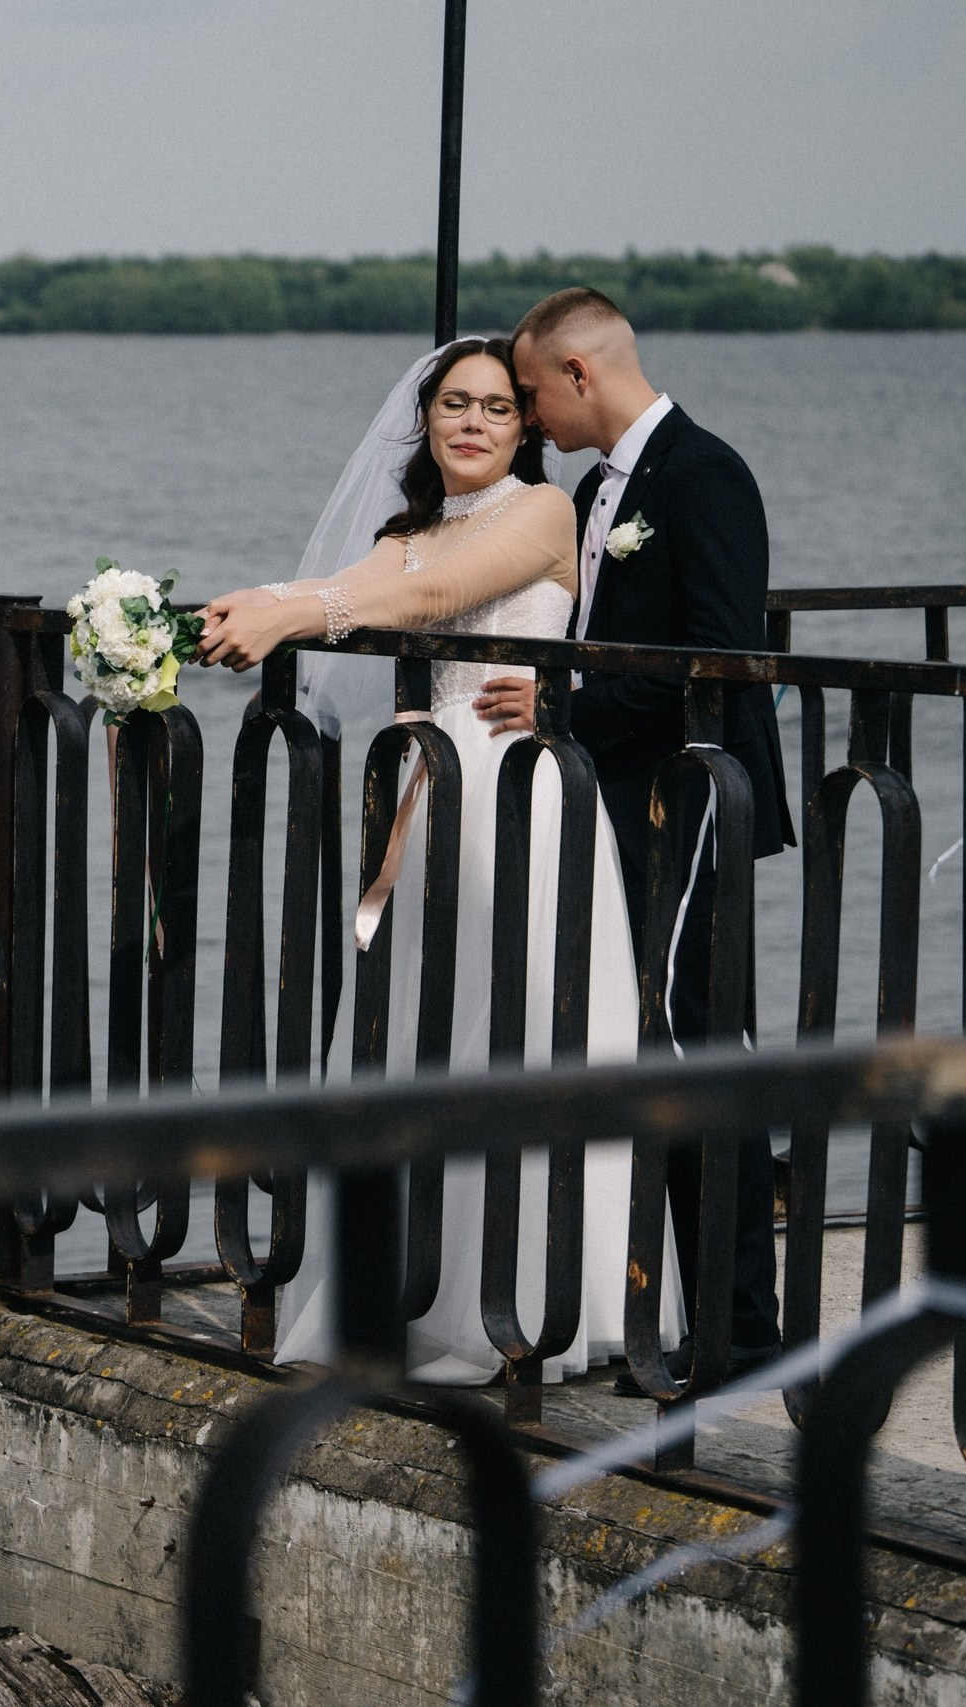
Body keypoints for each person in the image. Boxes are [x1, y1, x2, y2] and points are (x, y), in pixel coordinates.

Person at [198, 336, 679, 1384]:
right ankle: (419, 1287)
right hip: (428, 800)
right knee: (425, 1034)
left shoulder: (539, 514)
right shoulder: (406, 526)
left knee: (516, 1035)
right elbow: (359, 581)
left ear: (523, 427)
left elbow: (421, 603)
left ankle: (526, 1305)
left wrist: (290, 617)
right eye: (451, 404)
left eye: (494, 407)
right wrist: (257, 601)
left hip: (520, 790)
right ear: (425, 422)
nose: (469, 422)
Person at [496, 289, 793, 1385]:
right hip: (624, 805)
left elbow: (718, 663)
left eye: (530, 394)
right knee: (652, 1048)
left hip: (692, 802)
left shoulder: (704, 475)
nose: (529, 418)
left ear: (578, 373)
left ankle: (743, 1329)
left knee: (703, 1055)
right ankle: (678, 1305)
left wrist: (564, 711)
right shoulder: (590, 489)